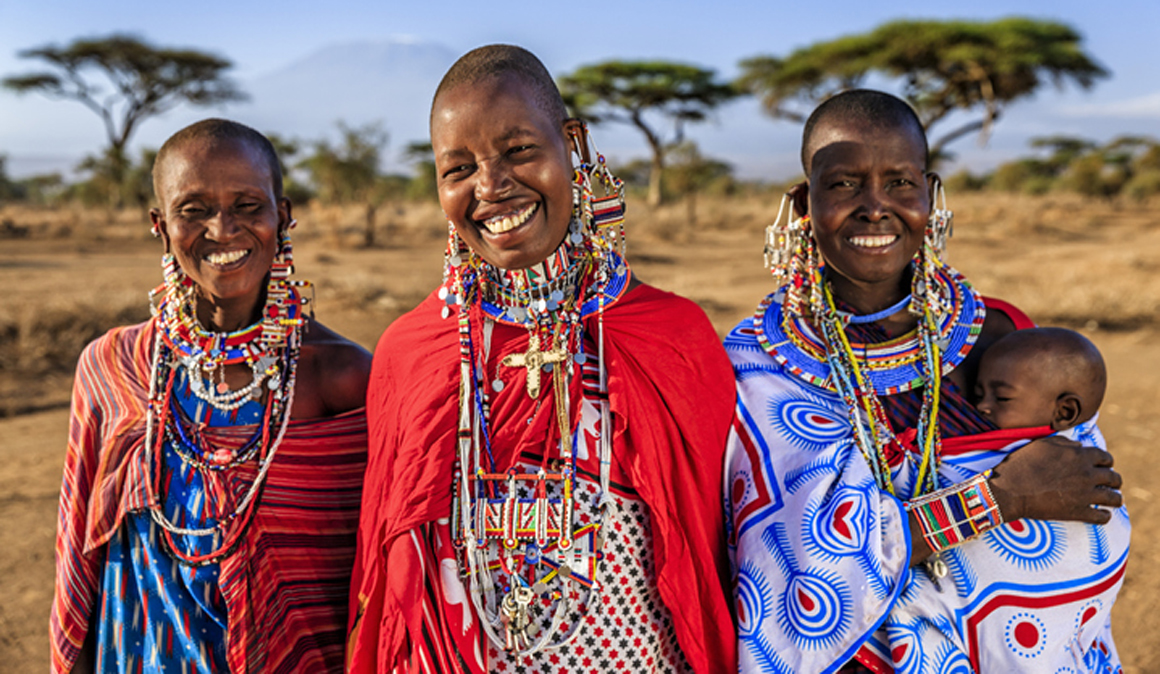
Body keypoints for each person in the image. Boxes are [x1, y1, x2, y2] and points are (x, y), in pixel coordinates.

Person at [347, 45, 737, 673]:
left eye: (519, 150)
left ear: (572, 144)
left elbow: (715, 559)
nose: (492, 186)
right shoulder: (410, 353)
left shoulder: (671, 336)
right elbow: (389, 583)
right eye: (458, 169)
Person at [725, 90, 1128, 673]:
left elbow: (1081, 485)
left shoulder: (1001, 335)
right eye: (843, 184)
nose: (875, 207)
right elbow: (789, 575)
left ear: (931, 193)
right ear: (802, 201)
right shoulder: (758, 364)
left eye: (900, 182)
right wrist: (999, 498)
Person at [50, 119, 371, 673]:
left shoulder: (340, 377)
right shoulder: (114, 366)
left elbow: (374, 578)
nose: (222, 229)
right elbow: (81, 551)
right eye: (193, 209)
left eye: (248, 204)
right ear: (161, 224)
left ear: (283, 215)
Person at [975, 326, 1106, 432]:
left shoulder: (1063, 460)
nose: (981, 406)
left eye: (1002, 397)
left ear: (1064, 412)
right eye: (979, 395)